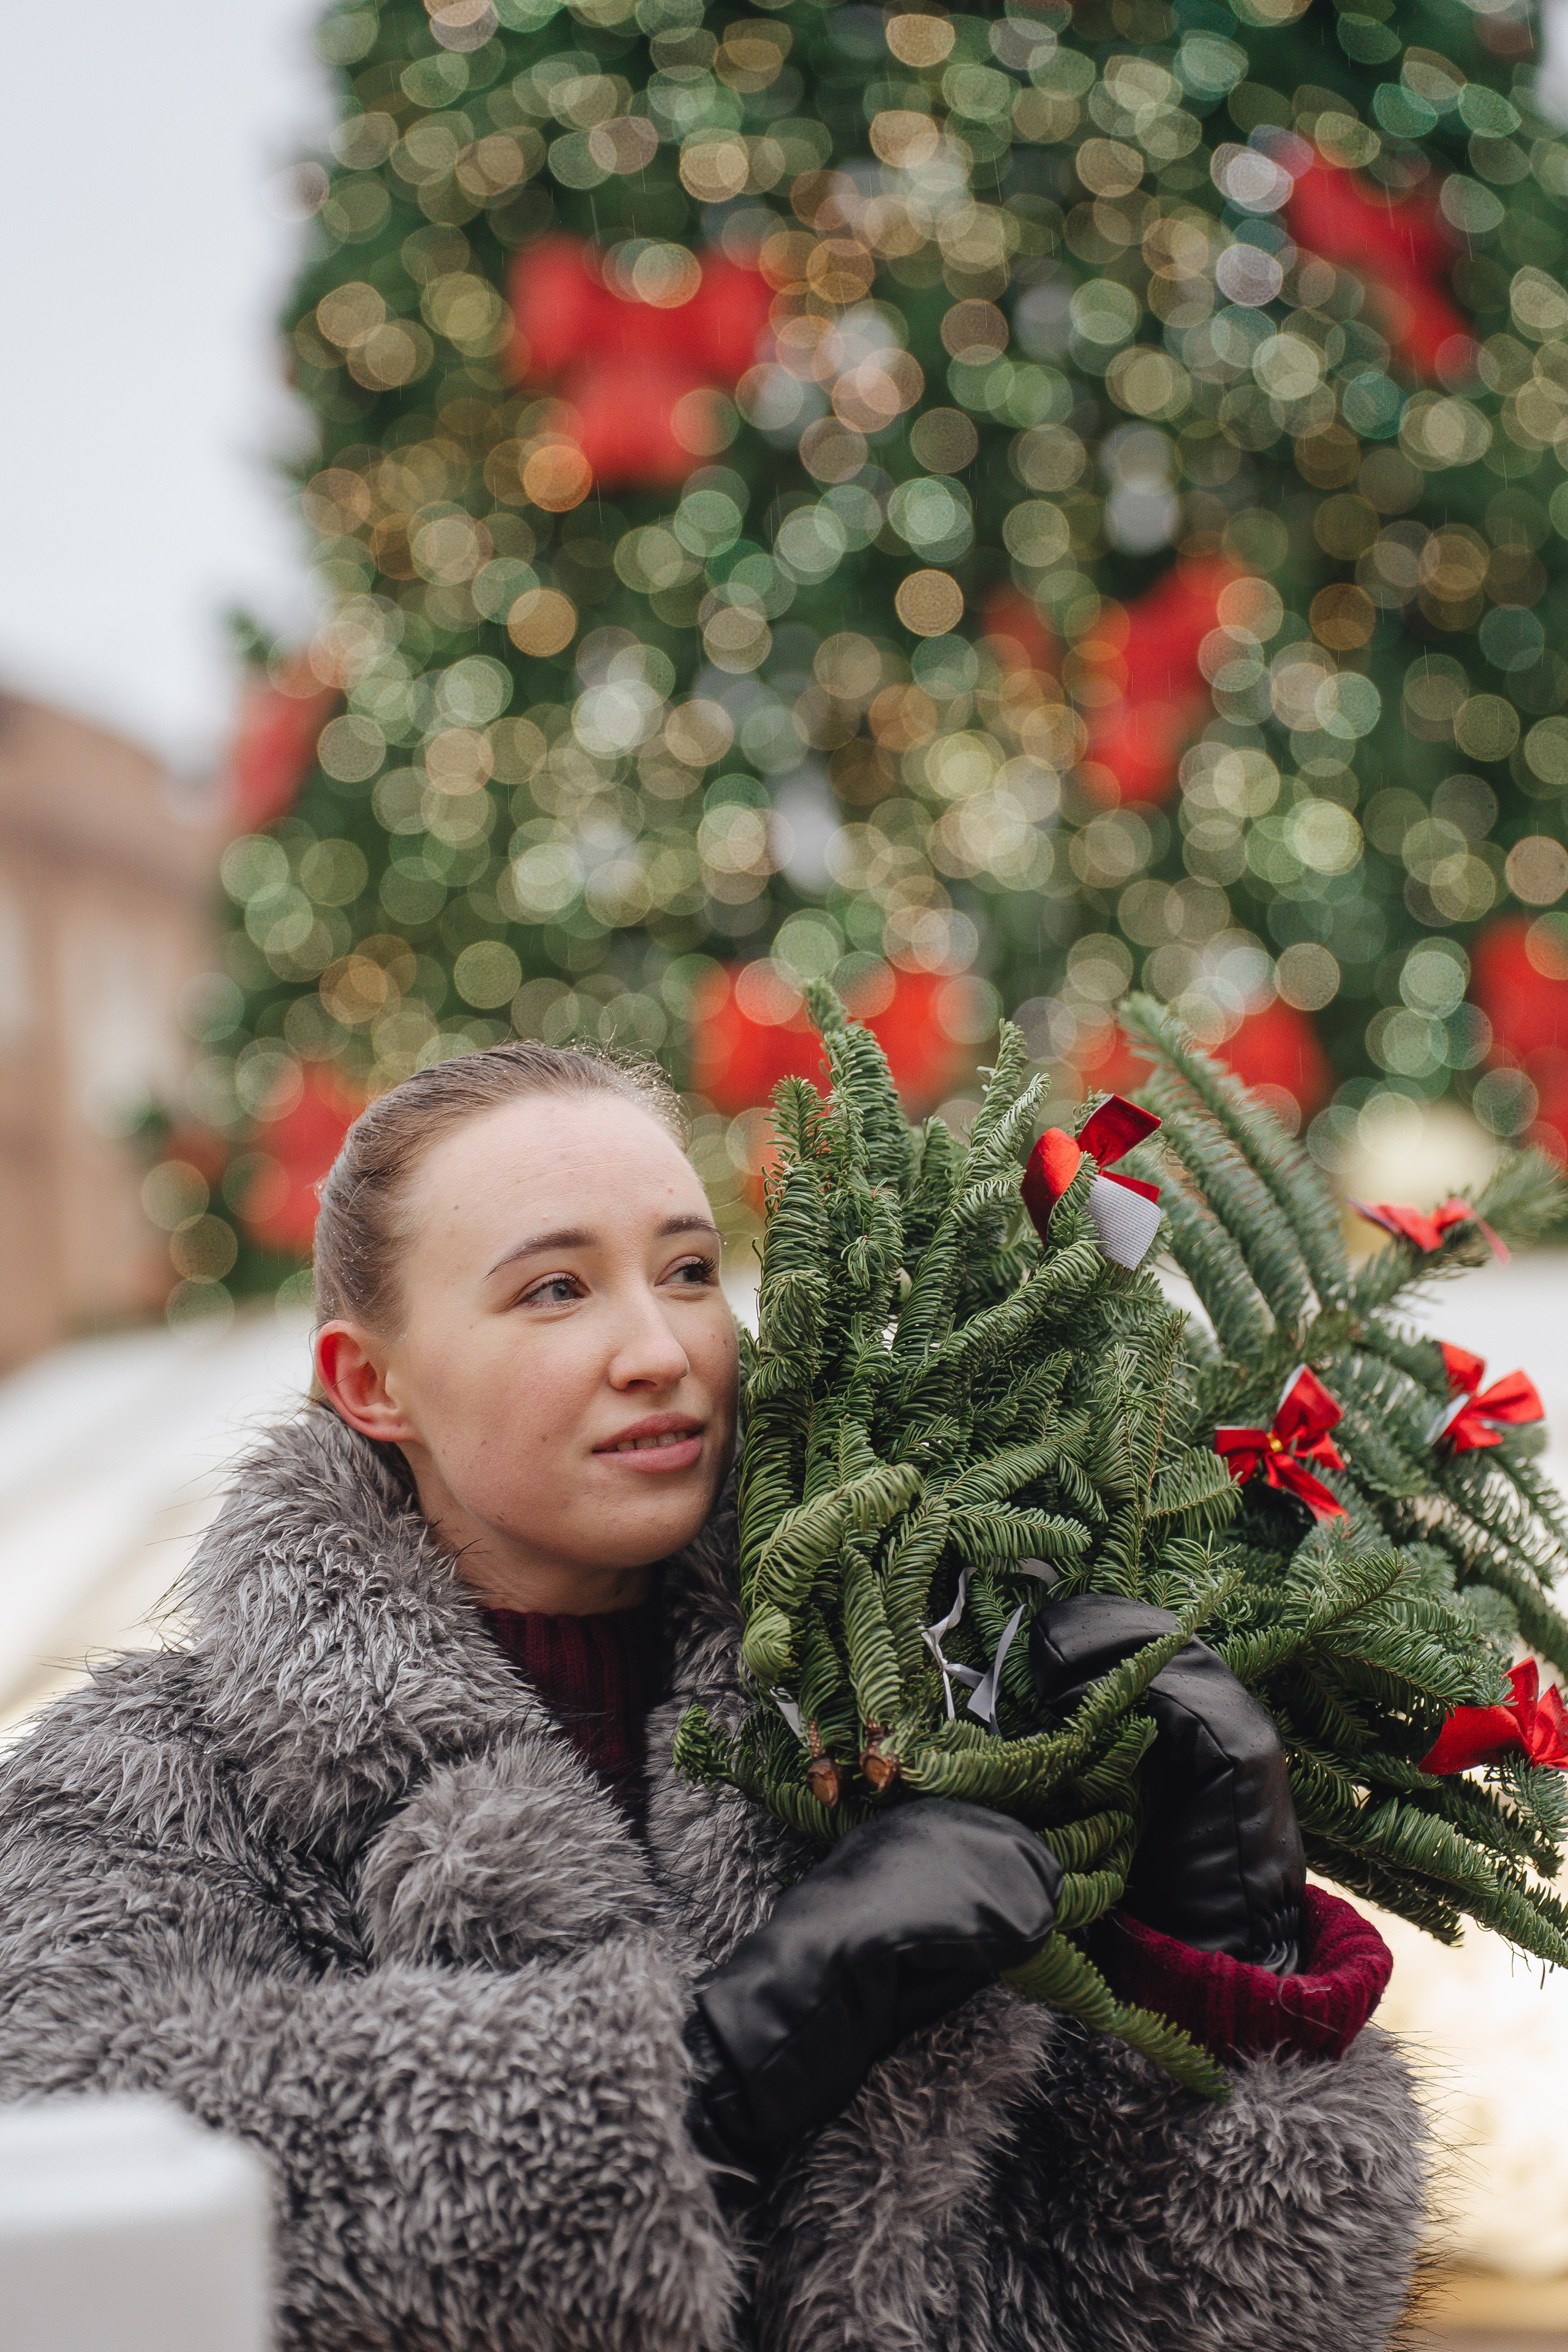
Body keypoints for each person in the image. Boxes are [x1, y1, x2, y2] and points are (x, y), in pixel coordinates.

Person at [0, 1043, 1423, 2350]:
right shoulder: (142, 1787)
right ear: (369, 1383)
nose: (660, 1348)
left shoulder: (913, 1709)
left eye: (685, 1271)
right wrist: (732, 2051)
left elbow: (1217, 2312)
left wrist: (1225, 1962)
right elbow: (112, 2216)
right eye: (555, 1287)